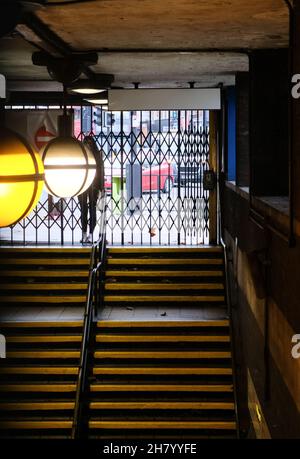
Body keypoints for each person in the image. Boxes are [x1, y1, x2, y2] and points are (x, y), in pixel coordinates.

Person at [78, 135, 104, 244]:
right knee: (84, 209)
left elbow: (101, 171)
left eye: (90, 143)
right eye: (86, 143)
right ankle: (85, 234)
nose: (88, 145)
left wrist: (101, 187)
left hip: (92, 185)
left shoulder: (95, 155)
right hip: (83, 185)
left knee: (91, 209)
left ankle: (90, 235)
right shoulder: (82, 155)